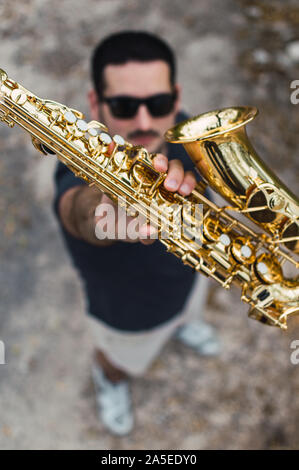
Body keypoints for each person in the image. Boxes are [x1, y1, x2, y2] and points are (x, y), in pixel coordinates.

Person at [53, 31, 220, 436]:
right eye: (125, 106)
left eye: (159, 104)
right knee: (119, 357)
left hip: (188, 279)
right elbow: (76, 210)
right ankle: (109, 379)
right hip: (127, 313)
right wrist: (104, 212)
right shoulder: (75, 165)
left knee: (187, 308)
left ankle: (183, 322)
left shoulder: (187, 133)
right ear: (96, 104)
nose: (145, 122)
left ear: (176, 99)